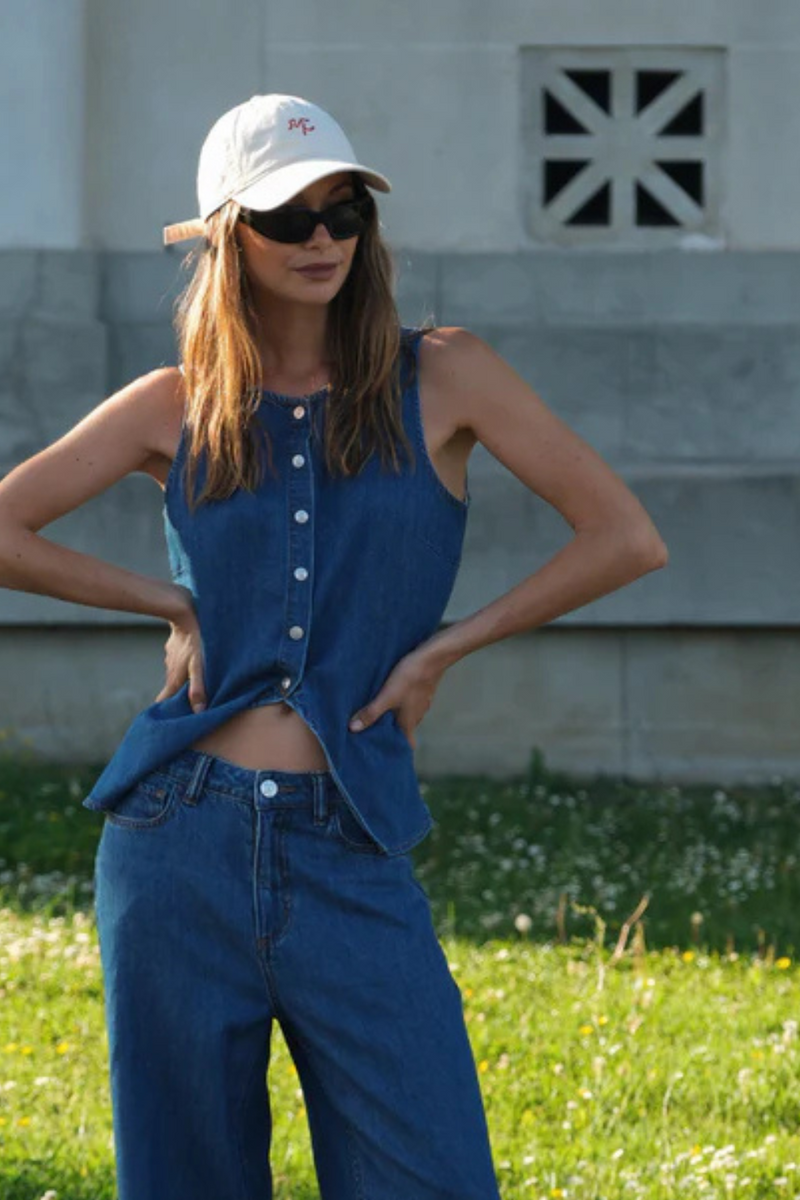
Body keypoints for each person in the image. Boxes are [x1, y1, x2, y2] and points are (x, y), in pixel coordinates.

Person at [0, 93, 668, 1199]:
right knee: (186, 1179)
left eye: (342, 209)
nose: (321, 238)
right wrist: (168, 606)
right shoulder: (177, 404)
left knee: (432, 1173)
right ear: (227, 234)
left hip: (347, 838)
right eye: (287, 215)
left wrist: (442, 650)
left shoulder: (445, 373)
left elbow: (622, 538)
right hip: (176, 840)